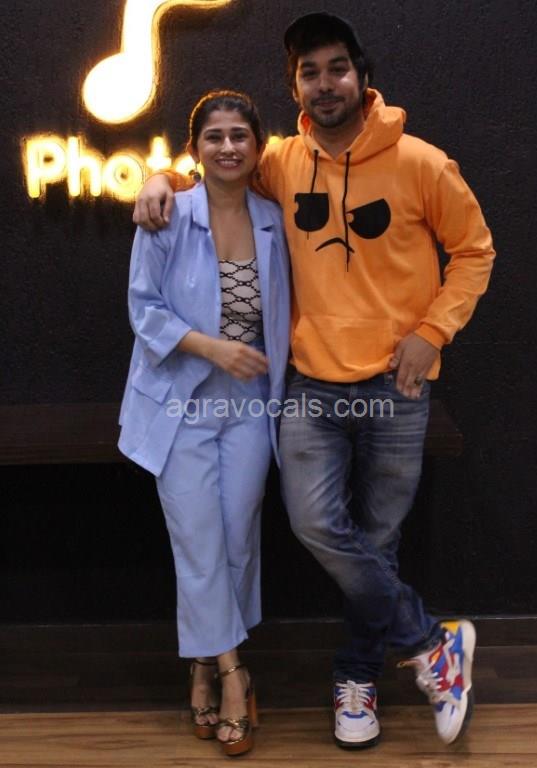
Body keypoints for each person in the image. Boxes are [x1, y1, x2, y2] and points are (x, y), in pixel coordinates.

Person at [133, 13, 495, 749]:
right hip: (310, 386)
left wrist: (432, 332)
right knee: (316, 526)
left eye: (336, 68)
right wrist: (158, 176)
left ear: (361, 75)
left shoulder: (423, 162)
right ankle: (432, 643)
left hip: (396, 388)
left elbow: (474, 251)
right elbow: (214, 172)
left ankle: (357, 679)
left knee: (378, 542)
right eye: (309, 72)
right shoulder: (281, 161)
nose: (324, 83)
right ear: (294, 85)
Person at [119, 89, 290, 757]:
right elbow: (144, 310)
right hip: (179, 402)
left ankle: (199, 663)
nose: (227, 147)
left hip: (249, 405)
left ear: (258, 147)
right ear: (194, 149)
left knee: (236, 537)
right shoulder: (166, 215)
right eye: (214, 136)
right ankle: (232, 674)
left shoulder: (274, 219)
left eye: (239, 135)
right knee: (197, 542)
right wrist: (213, 348)